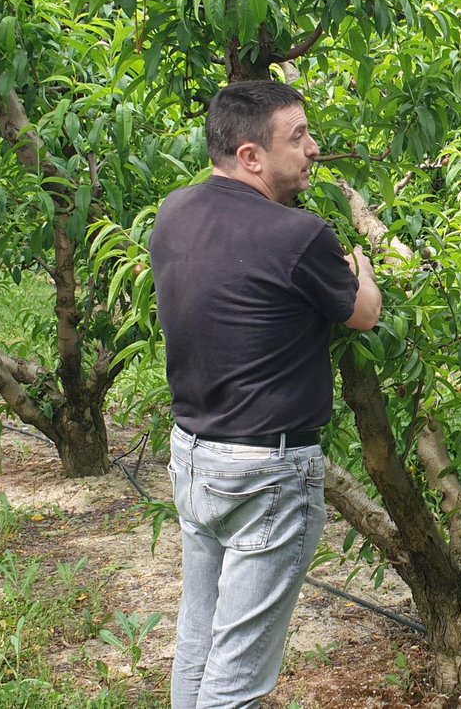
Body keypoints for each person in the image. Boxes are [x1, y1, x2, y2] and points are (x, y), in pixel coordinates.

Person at [151, 80, 382, 708]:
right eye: (299, 136)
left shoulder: (173, 213)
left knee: (199, 637)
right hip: (266, 476)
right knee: (240, 677)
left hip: (194, 458)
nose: (314, 148)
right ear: (252, 156)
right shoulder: (299, 236)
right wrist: (364, 265)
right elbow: (362, 314)